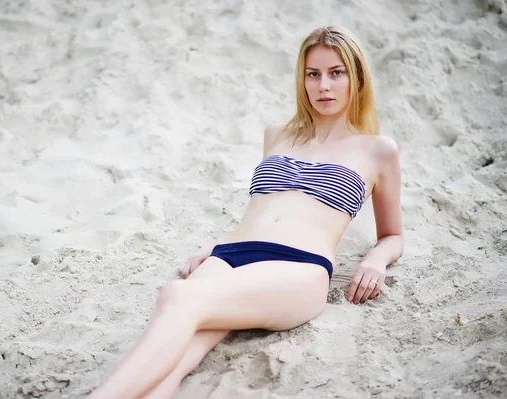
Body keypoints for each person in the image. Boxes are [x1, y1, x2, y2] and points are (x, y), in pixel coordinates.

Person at [88, 25, 403, 399]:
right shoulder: (278, 134)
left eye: (336, 73)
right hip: (230, 254)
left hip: (299, 267)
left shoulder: (378, 150)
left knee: (178, 296)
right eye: (313, 74)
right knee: (188, 349)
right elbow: (265, 207)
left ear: (357, 78)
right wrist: (217, 246)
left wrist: (377, 259)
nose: (324, 86)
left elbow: (393, 235)